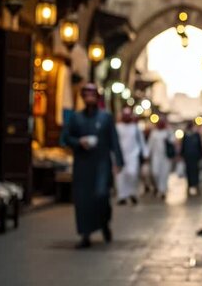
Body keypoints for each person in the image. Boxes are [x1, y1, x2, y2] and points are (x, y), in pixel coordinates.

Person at [63, 83, 124, 249]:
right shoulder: (76, 118)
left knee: (101, 195)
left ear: (97, 98)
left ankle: (104, 224)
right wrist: (79, 142)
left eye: (92, 95)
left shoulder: (106, 118)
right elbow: (66, 137)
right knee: (83, 200)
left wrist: (119, 161)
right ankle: (85, 234)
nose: (89, 98)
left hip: (102, 163)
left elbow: (114, 140)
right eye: (86, 95)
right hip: (83, 164)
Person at [115, 106, 148, 205]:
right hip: (121, 154)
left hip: (133, 155)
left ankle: (132, 193)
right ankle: (122, 196)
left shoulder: (135, 128)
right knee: (121, 176)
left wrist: (145, 153)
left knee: (132, 174)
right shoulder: (118, 127)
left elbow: (141, 142)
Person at [147, 119, 173, 200]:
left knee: (164, 174)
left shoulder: (168, 132)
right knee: (156, 173)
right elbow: (149, 145)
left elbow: (173, 141)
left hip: (165, 157)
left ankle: (162, 191)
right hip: (156, 157)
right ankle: (158, 187)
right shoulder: (154, 133)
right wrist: (147, 154)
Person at [180, 121, 202, 195]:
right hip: (189, 158)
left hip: (195, 157)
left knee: (195, 172)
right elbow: (183, 146)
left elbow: (199, 146)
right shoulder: (186, 136)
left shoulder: (196, 135)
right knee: (189, 172)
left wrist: (201, 155)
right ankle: (190, 185)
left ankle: (195, 185)